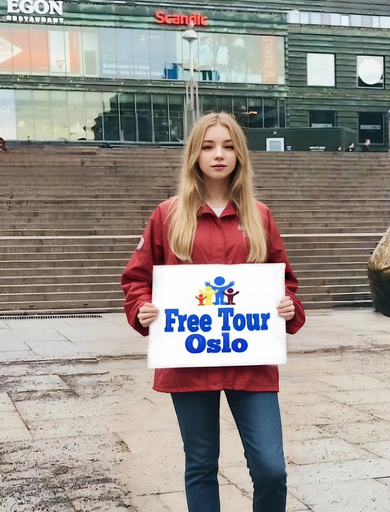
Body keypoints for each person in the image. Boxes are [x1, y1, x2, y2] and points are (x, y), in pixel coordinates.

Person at [121, 112, 305, 512]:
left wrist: (288, 307)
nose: (218, 155)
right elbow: (136, 278)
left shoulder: (260, 216)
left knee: (272, 469)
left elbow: (284, 280)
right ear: (195, 155)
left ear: (239, 154)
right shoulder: (167, 215)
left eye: (227, 146)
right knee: (201, 464)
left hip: (251, 361)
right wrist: (142, 308)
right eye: (208, 146)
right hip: (190, 361)